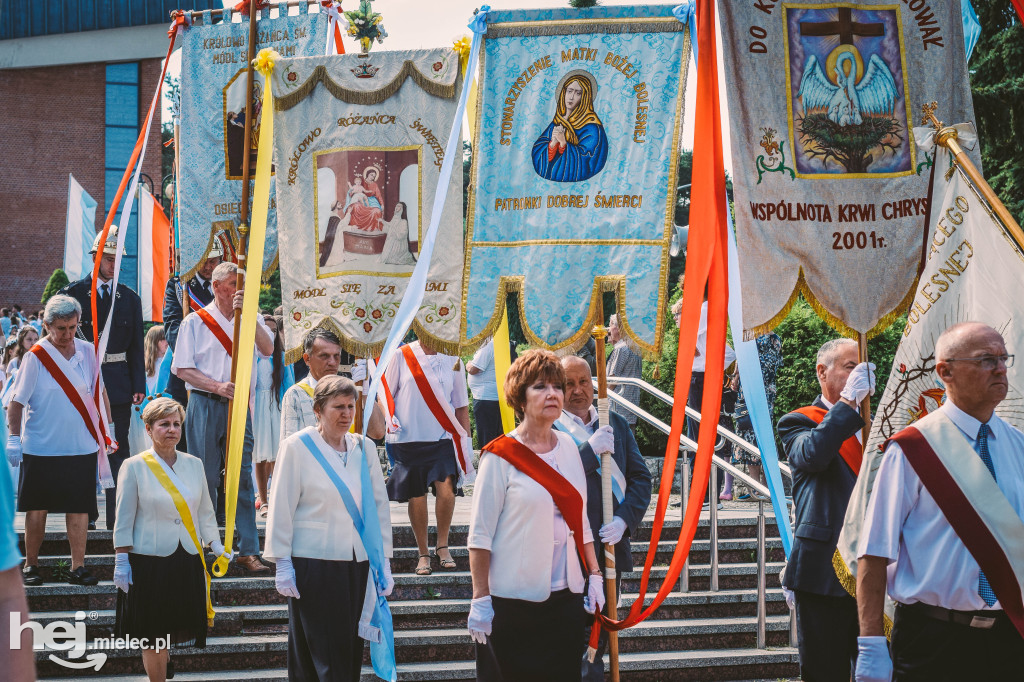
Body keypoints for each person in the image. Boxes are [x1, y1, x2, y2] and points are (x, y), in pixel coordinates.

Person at [855, 322, 1024, 681]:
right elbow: (874, 551)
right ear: (945, 371)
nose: (999, 368)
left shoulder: (1018, 445)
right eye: (985, 360)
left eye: (1003, 358)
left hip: (1010, 637)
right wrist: (870, 645)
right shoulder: (914, 448)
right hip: (933, 639)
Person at [468, 349, 605, 681]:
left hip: (567, 598)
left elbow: (581, 520)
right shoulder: (499, 456)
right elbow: (479, 537)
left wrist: (596, 575)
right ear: (520, 396)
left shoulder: (571, 449)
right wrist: (480, 598)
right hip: (514, 601)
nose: (553, 394)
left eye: (557, 387)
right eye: (541, 387)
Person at [266, 376, 393, 681]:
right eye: (338, 406)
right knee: (320, 651)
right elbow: (282, 503)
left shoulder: (363, 447)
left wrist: (384, 561)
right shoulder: (297, 446)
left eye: (351, 406)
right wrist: (282, 562)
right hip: (314, 562)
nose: (346, 414)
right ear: (318, 410)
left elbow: (379, 506)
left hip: (357, 561)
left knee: (348, 648)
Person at [113, 397, 231, 681]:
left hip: (187, 558)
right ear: (149, 428)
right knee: (153, 634)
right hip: (149, 561)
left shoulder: (194, 465)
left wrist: (215, 544)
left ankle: (164, 661)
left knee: (172, 626)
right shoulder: (134, 466)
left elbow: (205, 511)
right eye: (164, 424)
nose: (172, 429)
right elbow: (124, 517)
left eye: (176, 424)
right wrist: (120, 558)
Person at [777, 338, 874, 681]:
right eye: (851, 367)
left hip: (876, 572)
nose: (860, 374)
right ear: (823, 371)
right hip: (823, 573)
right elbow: (813, 455)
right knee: (825, 673)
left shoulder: (877, 427)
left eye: (864, 368)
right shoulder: (798, 421)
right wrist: (848, 402)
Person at [171, 262, 274, 575]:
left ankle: (248, 549)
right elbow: (182, 368)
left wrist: (251, 316)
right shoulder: (195, 322)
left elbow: (268, 349)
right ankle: (205, 543)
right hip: (205, 403)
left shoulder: (251, 317)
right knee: (206, 476)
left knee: (242, 477)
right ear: (217, 288)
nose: (240, 289)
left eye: (242, 283)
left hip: (239, 406)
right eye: (234, 283)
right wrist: (216, 385)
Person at [6, 295, 115, 586]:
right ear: (47, 325)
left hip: (81, 445)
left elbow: (100, 392)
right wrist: (13, 438)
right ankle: (31, 565)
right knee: (37, 508)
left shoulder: (89, 351)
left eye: (72, 327)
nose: (67, 335)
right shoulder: (36, 356)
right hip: (41, 446)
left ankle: (77, 567)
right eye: (61, 329)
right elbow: (17, 402)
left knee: (79, 508)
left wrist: (109, 430)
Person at [559, 355, 653, 681]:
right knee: (570, 642)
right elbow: (550, 480)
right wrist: (587, 452)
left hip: (609, 547)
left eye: (583, 381)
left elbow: (641, 480)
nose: (577, 390)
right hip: (566, 553)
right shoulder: (550, 429)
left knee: (598, 643)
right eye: (568, 384)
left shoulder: (616, 424)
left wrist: (625, 520)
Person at [61, 228, 146, 531]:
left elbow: (137, 345)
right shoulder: (71, 295)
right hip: (82, 383)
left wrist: (138, 385)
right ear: (95, 257)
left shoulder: (130, 299)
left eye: (117, 260)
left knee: (117, 451)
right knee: (83, 451)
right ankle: (87, 517)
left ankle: (114, 518)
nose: (113, 264)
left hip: (118, 384)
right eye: (108, 259)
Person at [384, 338, 472, 576]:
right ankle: (423, 553)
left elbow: (461, 404)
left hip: (443, 437)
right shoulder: (402, 355)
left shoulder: (454, 358)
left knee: (446, 491)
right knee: (417, 495)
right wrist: (389, 418)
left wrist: (467, 444)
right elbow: (386, 395)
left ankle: (442, 546)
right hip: (408, 438)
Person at [672, 294, 737, 505]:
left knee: (703, 438)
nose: (676, 319)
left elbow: (728, 354)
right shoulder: (707, 309)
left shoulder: (705, 309)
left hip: (701, 379)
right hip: (700, 378)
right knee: (698, 438)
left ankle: (706, 494)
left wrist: (709, 365)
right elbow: (728, 353)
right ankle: (701, 494)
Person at [162, 241, 223, 452]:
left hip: (222, 375)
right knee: (188, 444)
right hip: (188, 376)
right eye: (204, 261)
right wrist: (198, 357)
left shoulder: (227, 286)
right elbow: (172, 328)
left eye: (213, 262)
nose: (208, 267)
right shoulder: (179, 286)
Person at [280, 328, 385, 442]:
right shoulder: (296, 394)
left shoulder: (349, 390)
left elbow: (378, 432)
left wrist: (365, 394)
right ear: (307, 358)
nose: (332, 362)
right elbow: (288, 446)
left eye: (336, 356)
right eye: (324, 356)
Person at [722, 332, 784, 501]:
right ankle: (755, 488)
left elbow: (770, 366)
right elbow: (742, 359)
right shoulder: (748, 334)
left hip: (761, 392)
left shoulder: (770, 337)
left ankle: (764, 487)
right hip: (747, 390)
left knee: (761, 436)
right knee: (746, 432)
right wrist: (736, 377)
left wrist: (742, 373)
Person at [531, 71, 608, 182]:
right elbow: (538, 150)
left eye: (578, 93)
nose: (571, 97)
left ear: (585, 97)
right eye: (569, 91)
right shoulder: (558, 121)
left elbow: (588, 159)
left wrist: (563, 143)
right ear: (563, 93)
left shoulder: (592, 126)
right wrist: (552, 144)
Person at [253, 314, 286, 515]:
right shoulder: (253, 356)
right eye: (267, 330)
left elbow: (287, 384)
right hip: (258, 407)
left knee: (277, 453)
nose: (271, 334)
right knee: (260, 454)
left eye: (274, 331)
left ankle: (277, 497)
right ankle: (263, 499)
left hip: (276, 406)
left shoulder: (281, 358)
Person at [127, 325, 170, 457]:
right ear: (153, 342)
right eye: (162, 339)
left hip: (162, 410)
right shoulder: (141, 365)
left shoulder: (169, 363)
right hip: (140, 414)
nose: (166, 342)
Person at [605, 314, 642, 428]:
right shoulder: (634, 346)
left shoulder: (621, 348)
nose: (608, 329)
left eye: (611, 325)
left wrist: (599, 395)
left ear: (619, 327)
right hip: (630, 404)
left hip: (618, 406)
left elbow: (612, 381)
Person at [467, 338, 503, 447]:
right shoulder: (495, 343)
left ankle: (489, 462)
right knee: (495, 437)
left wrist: (467, 364)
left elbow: (474, 369)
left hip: (485, 399)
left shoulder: (488, 345)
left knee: (487, 439)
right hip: (492, 398)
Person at [381, 202, 417, 266]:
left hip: (399, 243)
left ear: (402, 209)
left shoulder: (403, 221)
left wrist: (394, 232)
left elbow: (403, 234)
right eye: (397, 206)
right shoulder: (395, 218)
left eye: (399, 206)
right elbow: (390, 225)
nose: (397, 207)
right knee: (387, 257)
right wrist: (383, 221)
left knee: (394, 258)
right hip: (392, 241)